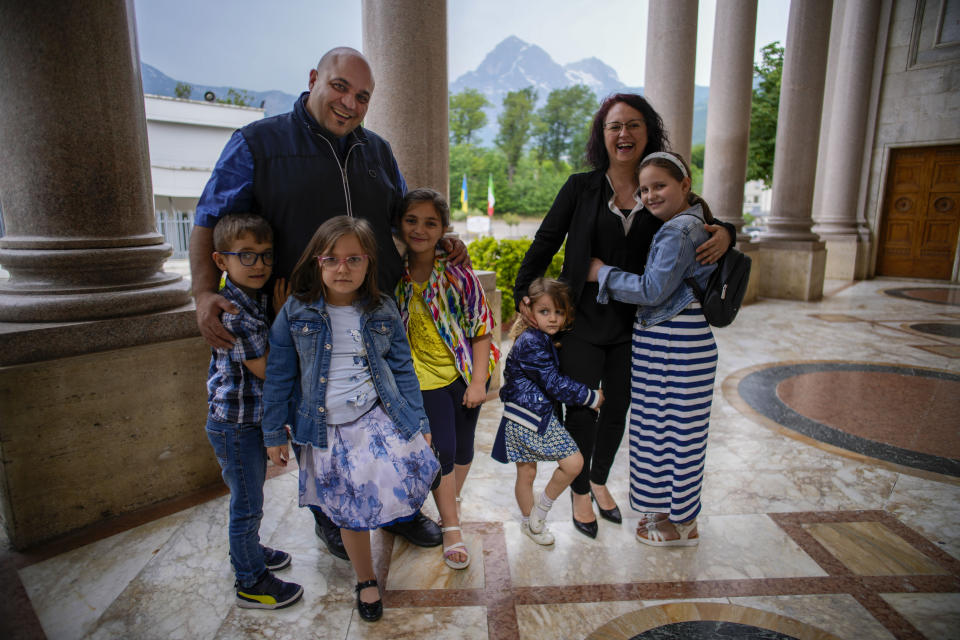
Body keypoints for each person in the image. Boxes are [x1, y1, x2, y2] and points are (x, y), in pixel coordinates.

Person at [189, 47, 453, 558]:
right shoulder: (257, 143)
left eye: (362, 97)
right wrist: (204, 292)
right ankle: (333, 514)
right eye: (339, 87)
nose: (349, 103)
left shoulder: (377, 151)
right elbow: (209, 218)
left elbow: (404, 216)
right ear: (313, 79)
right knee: (323, 426)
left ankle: (397, 506)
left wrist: (440, 241)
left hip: (375, 315)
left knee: (389, 412)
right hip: (305, 320)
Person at [513, 93, 734, 538]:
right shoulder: (580, 187)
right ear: (602, 135)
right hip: (582, 319)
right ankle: (579, 493)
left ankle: (598, 478)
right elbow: (546, 240)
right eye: (614, 126)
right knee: (580, 408)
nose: (623, 133)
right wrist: (523, 293)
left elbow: (704, 219)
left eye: (633, 125)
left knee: (618, 408)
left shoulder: (660, 187)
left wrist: (727, 233)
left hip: (637, 325)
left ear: (648, 132)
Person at [261, 216, 439, 622]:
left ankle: (399, 516)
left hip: (376, 415)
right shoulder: (297, 311)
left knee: (414, 469)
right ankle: (365, 579)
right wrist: (273, 431)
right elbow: (279, 375)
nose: (343, 269)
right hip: (326, 429)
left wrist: (421, 422)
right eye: (333, 259)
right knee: (350, 509)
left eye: (354, 259)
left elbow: (403, 368)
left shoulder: (382, 309)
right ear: (318, 263)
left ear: (368, 264)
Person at [587, 152, 718, 547]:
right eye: (644, 189)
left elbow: (652, 290)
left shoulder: (679, 231)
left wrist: (601, 273)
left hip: (678, 342)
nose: (649, 195)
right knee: (661, 430)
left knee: (678, 435)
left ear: (685, 184)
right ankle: (666, 510)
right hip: (666, 341)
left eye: (659, 185)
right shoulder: (684, 225)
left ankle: (684, 523)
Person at [394, 188, 500, 570]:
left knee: (464, 450)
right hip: (421, 380)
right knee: (441, 453)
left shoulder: (458, 274)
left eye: (430, 222)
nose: (420, 229)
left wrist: (477, 383)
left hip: (464, 372)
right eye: (411, 220)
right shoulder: (394, 275)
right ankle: (452, 527)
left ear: (444, 229)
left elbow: (482, 328)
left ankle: (449, 501)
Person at [204, 213, 303, 609]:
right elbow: (267, 369)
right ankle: (250, 580)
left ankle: (249, 551)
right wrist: (281, 318)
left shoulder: (253, 300)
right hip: (234, 425)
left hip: (245, 420)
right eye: (245, 255)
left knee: (251, 497)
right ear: (220, 262)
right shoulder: (235, 313)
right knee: (246, 503)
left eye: (265, 255)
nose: (259, 264)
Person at [492, 278, 603, 546]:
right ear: (529, 311)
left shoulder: (539, 337)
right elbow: (554, 383)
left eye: (559, 312)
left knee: (527, 473)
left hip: (523, 412)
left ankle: (531, 522)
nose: (553, 318)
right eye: (545, 311)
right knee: (574, 463)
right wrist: (591, 397)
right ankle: (537, 516)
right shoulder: (532, 341)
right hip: (529, 417)